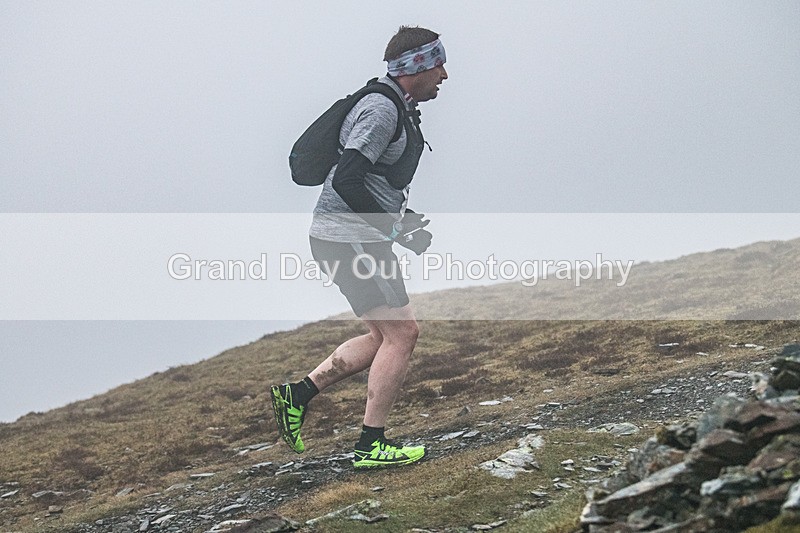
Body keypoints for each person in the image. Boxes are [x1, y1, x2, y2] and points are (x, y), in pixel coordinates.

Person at [271, 25, 448, 469]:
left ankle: (296, 395)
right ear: (416, 68)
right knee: (402, 335)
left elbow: (372, 181)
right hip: (350, 240)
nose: (445, 74)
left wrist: (403, 224)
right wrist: (393, 230)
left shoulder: (396, 106)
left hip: (350, 238)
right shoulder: (380, 110)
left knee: (384, 335)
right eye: (438, 64)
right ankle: (372, 445)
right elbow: (349, 177)